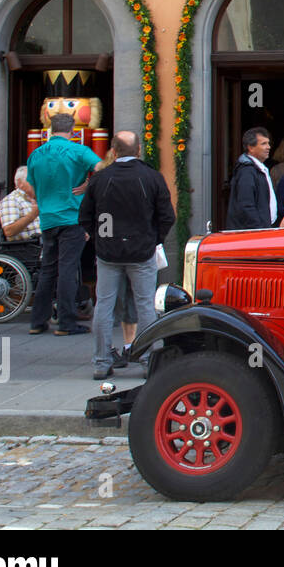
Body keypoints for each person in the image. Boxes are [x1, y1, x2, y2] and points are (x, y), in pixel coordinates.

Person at [80, 130, 175, 380]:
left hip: (108, 252)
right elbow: (167, 216)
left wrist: (102, 237)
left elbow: (85, 217)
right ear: (139, 150)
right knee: (145, 305)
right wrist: (154, 238)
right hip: (141, 251)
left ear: (112, 151)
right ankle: (146, 359)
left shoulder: (100, 179)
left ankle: (101, 362)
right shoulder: (151, 177)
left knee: (104, 306)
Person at [26, 112, 105, 336]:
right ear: (72, 130)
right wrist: (88, 184)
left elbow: (31, 188)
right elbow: (102, 168)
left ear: (51, 129)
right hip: (72, 217)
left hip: (48, 218)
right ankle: (66, 322)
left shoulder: (36, 154)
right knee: (68, 268)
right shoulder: (78, 151)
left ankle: (37, 322)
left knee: (48, 270)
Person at [225, 126, 275, 230]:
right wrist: (259, 229)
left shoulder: (258, 169)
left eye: (268, 143)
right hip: (254, 233)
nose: (268, 147)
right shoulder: (247, 171)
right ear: (251, 147)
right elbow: (246, 206)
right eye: (263, 144)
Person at [0, 166, 40, 243]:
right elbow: (9, 231)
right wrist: (32, 215)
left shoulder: (39, 198)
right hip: (28, 247)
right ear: (20, 183)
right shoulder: (11, 200)